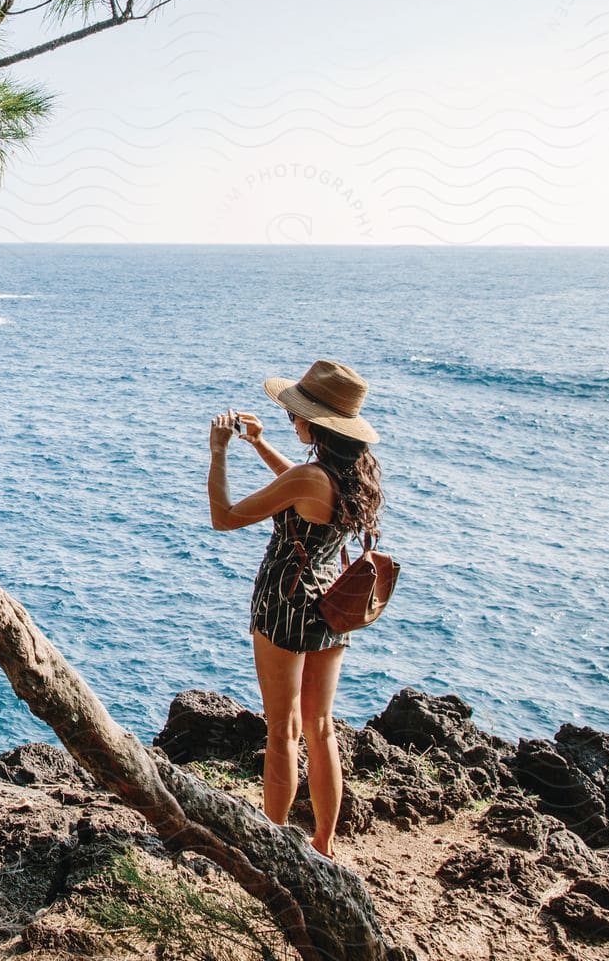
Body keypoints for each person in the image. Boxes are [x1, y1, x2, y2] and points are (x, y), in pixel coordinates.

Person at [206, 359, 383, 858]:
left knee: (281, 729)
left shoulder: (310, 477)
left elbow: (224, 517)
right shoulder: (354, 472)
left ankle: (273, 840)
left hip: (284, 606)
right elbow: (303, 488)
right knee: (321, 727)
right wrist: (260, 444)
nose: (291, 419)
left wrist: (219, 453)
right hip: (330, 604)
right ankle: (324, 841)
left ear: (316, 423)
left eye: (296, 414)